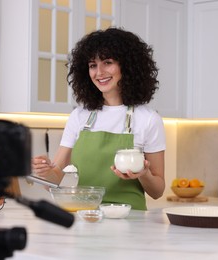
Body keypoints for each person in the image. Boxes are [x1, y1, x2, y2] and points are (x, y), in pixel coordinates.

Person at [32, 27, 166, 210]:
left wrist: (143, 174)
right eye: (93, 65)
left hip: (131, 222)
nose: (99, 72)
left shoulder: (148, 119)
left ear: (127, 66)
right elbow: (54, 178)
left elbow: (158, 191)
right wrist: (46, 171)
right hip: (87, 218)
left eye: (108, 62)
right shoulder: (80, 116)